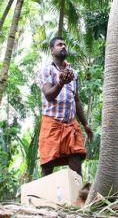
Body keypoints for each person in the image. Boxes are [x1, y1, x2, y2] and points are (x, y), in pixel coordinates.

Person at [38, 36, 93, 177]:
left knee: (76, 159)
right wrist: (60, 83)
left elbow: (76, 99)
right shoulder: (46, 70)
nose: (63, 46)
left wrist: (85, 124)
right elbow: (49, 95)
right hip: (52, 123)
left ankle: (79, 198)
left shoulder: (73, 72)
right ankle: (44, 197)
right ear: (51, 50)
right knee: (47, 165)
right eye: (59, 45)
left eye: (64, 45)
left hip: (70, 125)